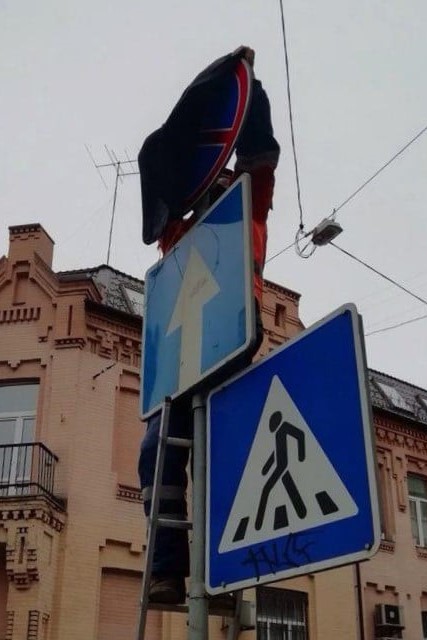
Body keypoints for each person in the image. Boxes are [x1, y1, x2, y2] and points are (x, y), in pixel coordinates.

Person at [138, 47, 279, 605]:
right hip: (180, 357)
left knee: (224, 449)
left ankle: (221, 569)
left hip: (233, 336)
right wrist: (194, 119)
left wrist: (248, 89)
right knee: (157, 450)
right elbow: (159, 183)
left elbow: (260, 154)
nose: (215, 183)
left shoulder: (249, 205)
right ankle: (167, 569)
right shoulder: (178, 235)